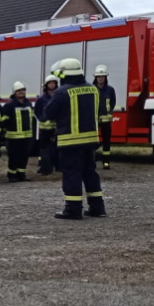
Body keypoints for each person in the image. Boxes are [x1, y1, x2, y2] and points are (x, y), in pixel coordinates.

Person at [45, 58, 107, 219]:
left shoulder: (62, 92)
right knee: (90, 173)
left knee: (72, 174)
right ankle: (97, 207)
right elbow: (101, 111)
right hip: (90, 140)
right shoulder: (93, 89)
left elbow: (48, 113)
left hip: (70, 141)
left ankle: (73, 209)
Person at [0, 81, 35, 182]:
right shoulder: (9, 105)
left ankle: (21, 175)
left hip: (27, 136)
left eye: (23, 90)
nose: (21, 92)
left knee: (24, 157)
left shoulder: (28, 103)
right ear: (14, 92)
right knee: (14, 157)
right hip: (13, 137)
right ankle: (11, 175)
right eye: (19, 91)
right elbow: (4, 121)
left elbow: (31, 118)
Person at [35, 74, 61, 175]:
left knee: (58, 148)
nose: (51, 85)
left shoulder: (58, 96)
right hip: (45, 129)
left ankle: (58, 166)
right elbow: (37, 112)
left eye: (53, 83)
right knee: (45, 149)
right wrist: (43, 119)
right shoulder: (42, 98)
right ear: (46, 85)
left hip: (57, 128)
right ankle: (45, 168)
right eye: (49, 83)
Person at [94, 64, 116, 169]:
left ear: (105, 77)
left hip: (106, 120)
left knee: (106, 142)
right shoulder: (92, 89)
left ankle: (106, 162)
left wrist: (109, 112)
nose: (100, 78)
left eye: (102, 76)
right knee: (93, 141)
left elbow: (113, 103)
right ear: (95, 77)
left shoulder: (110, 90)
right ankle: (92, 161)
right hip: (94, 120)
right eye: (98, 76)